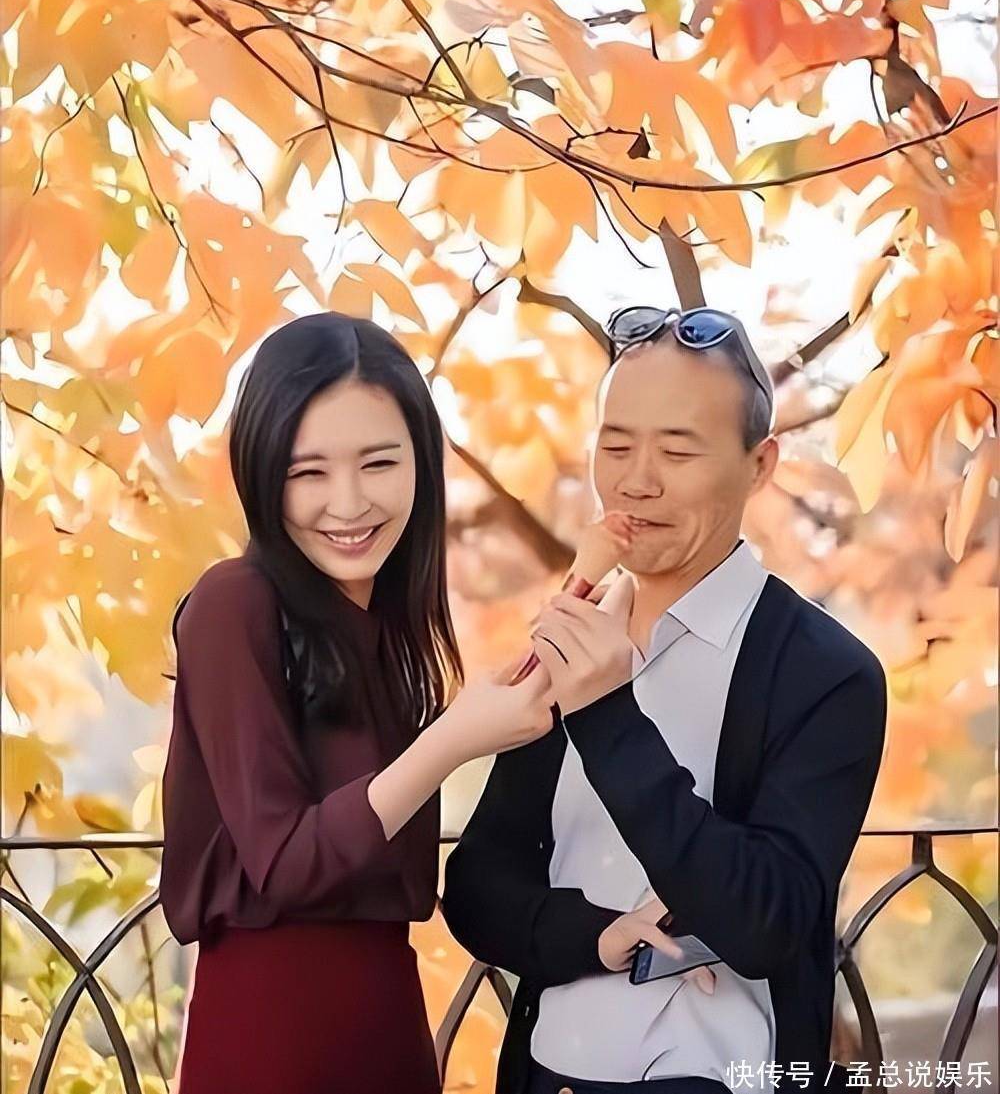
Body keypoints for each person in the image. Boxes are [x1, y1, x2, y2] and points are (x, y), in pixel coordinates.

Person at [442, 306, 888, 1094]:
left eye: (677, 450)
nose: (635, 481)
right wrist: (598, 934)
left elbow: (767, 921)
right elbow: (477, 887)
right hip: (550, 1072)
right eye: (615, 446)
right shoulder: (568, 643)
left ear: (760, 465)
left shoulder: (826, 673)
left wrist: (607, 715)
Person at [160, 311, 555, 1094]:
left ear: (421, 464)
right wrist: (451, 739)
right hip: (271, 1033)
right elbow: (286, 863)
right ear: (261, 470)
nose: (348, 503)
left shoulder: (386, 627)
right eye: (308, 472)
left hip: (387, 1019)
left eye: (379, 463)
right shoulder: (233, 603)